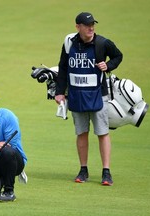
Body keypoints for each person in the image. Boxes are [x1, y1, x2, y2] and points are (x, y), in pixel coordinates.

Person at [55, 12, 123, 186]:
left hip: (98, 95)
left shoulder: (102, 43)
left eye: (93, 24)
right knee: (81, 133)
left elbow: (118, 56)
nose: (91, 28)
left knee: (102, 132)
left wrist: (108, 65)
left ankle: (106, 172)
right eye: (87, 25)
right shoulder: (69, 43)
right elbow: (63, 67)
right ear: (78, 27)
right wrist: (60, 92)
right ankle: (83, 169)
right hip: (76, 95)